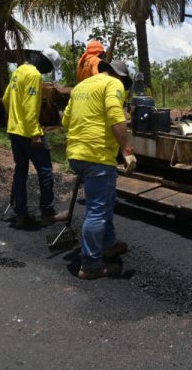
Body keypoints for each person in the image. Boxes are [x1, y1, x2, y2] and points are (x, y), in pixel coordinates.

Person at [62, 60, 136, 279]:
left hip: (77, 154)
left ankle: (108, 243)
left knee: (107, 200)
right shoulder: (114, 84)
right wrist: (127, 150)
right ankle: (91, 265)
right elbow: (116, 117)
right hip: (97, 156)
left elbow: (67, 120)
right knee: (97, 210)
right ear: (120, 76)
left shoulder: (80, 87)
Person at [2, 48, 68, 229]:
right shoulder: (33, 75)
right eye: (50, 67)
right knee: (45, 170)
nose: (48, 71)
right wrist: (35, 134)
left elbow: (7, 98)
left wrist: (15, 118)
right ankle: (47, 213)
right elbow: (31, 108)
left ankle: (21, 215)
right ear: (44, 62)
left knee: (20, 172)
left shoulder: (18, 71)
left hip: (14, 131)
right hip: (28, 133)